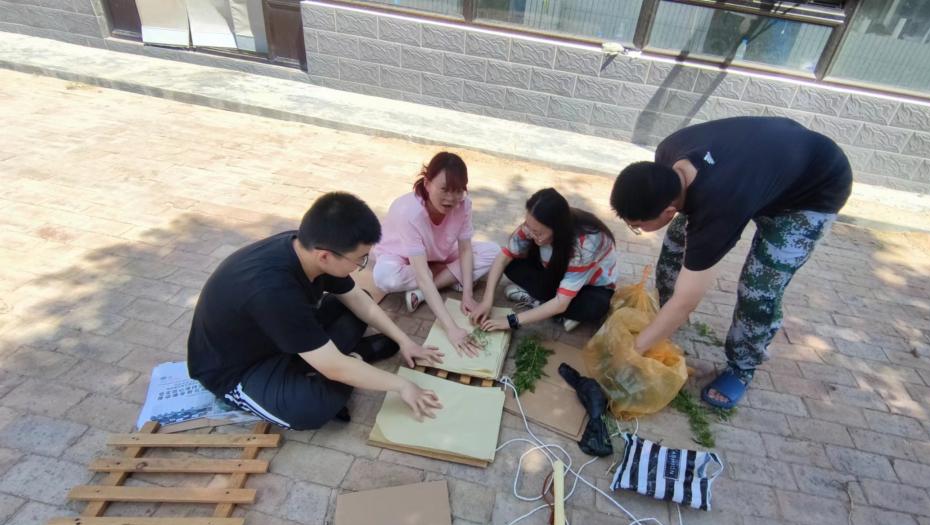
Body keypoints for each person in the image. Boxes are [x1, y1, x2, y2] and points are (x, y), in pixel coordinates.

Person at [610, 116, 852, 410]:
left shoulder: (718, 204)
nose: (636, 229)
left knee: (759, 289)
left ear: (669, 210)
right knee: (675, 246)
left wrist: (633, 352)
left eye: (637, 226)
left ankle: (742, 368)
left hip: (809, 193)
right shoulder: (668, 153)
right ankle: (663, 318)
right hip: (765, 166)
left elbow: (687, 300)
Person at [187, 192, 444, 430]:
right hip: (240, 369)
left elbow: (356, 298)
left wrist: (405, 341)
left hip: (277, 335)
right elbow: (334, 369)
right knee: (312, 409)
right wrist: (402, 385)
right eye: (360, 259)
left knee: (357, 304)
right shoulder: (273, 291)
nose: (361, 266)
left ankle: (337, 361)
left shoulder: (306, 247)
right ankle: (355, 358)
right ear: (325, 257)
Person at [373, 151, 500, 356]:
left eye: (458, 190)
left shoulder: (464, 205)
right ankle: (446, 277)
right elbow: (422, 276)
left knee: (493, 252)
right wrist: (452, 329)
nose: (451, 198)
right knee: (384, 278)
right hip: (402, 257)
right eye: (444, 189)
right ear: (427, 183)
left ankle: (422, 292)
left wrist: (468, 295)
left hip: (438, 254)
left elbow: (465, 249)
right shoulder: (409, 212)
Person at [471, 188, 618, 333]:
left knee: (596, 307)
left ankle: (544, 305)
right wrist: (486, 301)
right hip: (556, 275)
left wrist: (511, 321)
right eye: (528, 226)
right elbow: (503, 257)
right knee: (510, 264)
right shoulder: (533, 225)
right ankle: (553, 309)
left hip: (589, 288)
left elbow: (561, 303)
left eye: (538, 233)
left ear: (558, 229)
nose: (530, 234)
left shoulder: (585, 243)